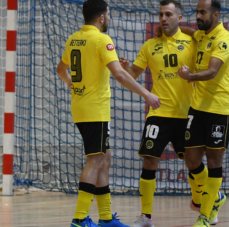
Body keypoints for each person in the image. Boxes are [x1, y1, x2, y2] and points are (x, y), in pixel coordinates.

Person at [56, 0, 160, 226]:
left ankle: (105, 218)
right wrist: (147, 94)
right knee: (94, 161)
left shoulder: (74, 38)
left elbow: (60, 69)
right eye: (109, 15)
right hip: (95, 110)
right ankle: (80, 219)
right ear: (101, 17)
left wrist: (70, 83)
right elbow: (120, 76)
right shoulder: (103, 40)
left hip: (81, 107)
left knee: (105, 159)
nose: (109, 18)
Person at [118, 1, 201, 226]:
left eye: (168, 14)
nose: (163, 18)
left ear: (179, 17)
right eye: (161, 14)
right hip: (159, 113)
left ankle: (201, 203)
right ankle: (146, 217)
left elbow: (205, 39)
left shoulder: (192, 43)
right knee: (149, 160)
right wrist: (126, 69)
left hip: (186, 114)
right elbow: (133, 74)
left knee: (193, 163)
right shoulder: (149, 45)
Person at [175, 0, 229, 226]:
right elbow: (191, 31)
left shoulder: (224, 39)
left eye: (203, 12)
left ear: (216, 15)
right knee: (191, 160)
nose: (198, 16)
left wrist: (190, 76)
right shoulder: (201, 35)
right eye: (197, 12)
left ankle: (205, 215)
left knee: (213, 161)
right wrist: (172, 25)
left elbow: (211, 71)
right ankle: (215, 198)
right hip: (197, 107)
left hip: (220, 109)